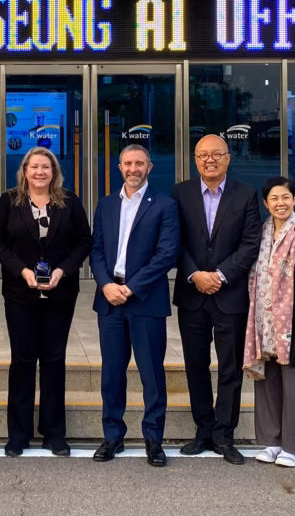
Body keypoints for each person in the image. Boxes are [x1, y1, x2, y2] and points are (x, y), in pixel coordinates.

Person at [0, 146, 92, 458]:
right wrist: (21, 270)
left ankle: (53, 433)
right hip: (21, 294)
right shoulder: (9, 201)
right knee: (22, 361)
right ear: (24, 170)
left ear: (54, 171)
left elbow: (84, 241)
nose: (39, 172)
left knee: (53, 360)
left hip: (61, 293)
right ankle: (18, 434)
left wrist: (63, 270)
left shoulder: (69, 201)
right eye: (34, 167)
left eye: (46, 167)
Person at [170, 134, 261, 464]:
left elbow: (251, 245)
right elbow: (172, 241)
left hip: (230, 295)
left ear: (228, 158)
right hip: (191, 293)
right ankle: (203, 430)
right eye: (203, 155)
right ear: (195, 160)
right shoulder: (180, 193)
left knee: (230, 367)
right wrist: (195, 274)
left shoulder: (246, 195)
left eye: (216, 154)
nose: (210, 160)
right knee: (195, 365)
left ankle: (225, 434)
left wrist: (219, 275)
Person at [90, 144, 180, 465]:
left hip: (145, 301)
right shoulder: (106, 205)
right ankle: (113, 436)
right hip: (110, 301)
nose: (133, 168)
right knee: (112, 373)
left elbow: (166, 255)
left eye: (139, 163)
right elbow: (96, 250)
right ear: (119, 167)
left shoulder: (165, 205)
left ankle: (153, 439)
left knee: (152, 375)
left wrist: (131, 288)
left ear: (149, 167)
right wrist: (106, 284)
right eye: (127, 163)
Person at [245, 176, 295, 468]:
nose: (281, 203)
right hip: (262, 322)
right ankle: (273, 442)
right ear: (266, 203)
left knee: (293, 386)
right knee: (268, 384)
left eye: (286, 198)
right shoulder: (258, 236)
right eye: (275, 199)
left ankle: (293, 447)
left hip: (292, 323)